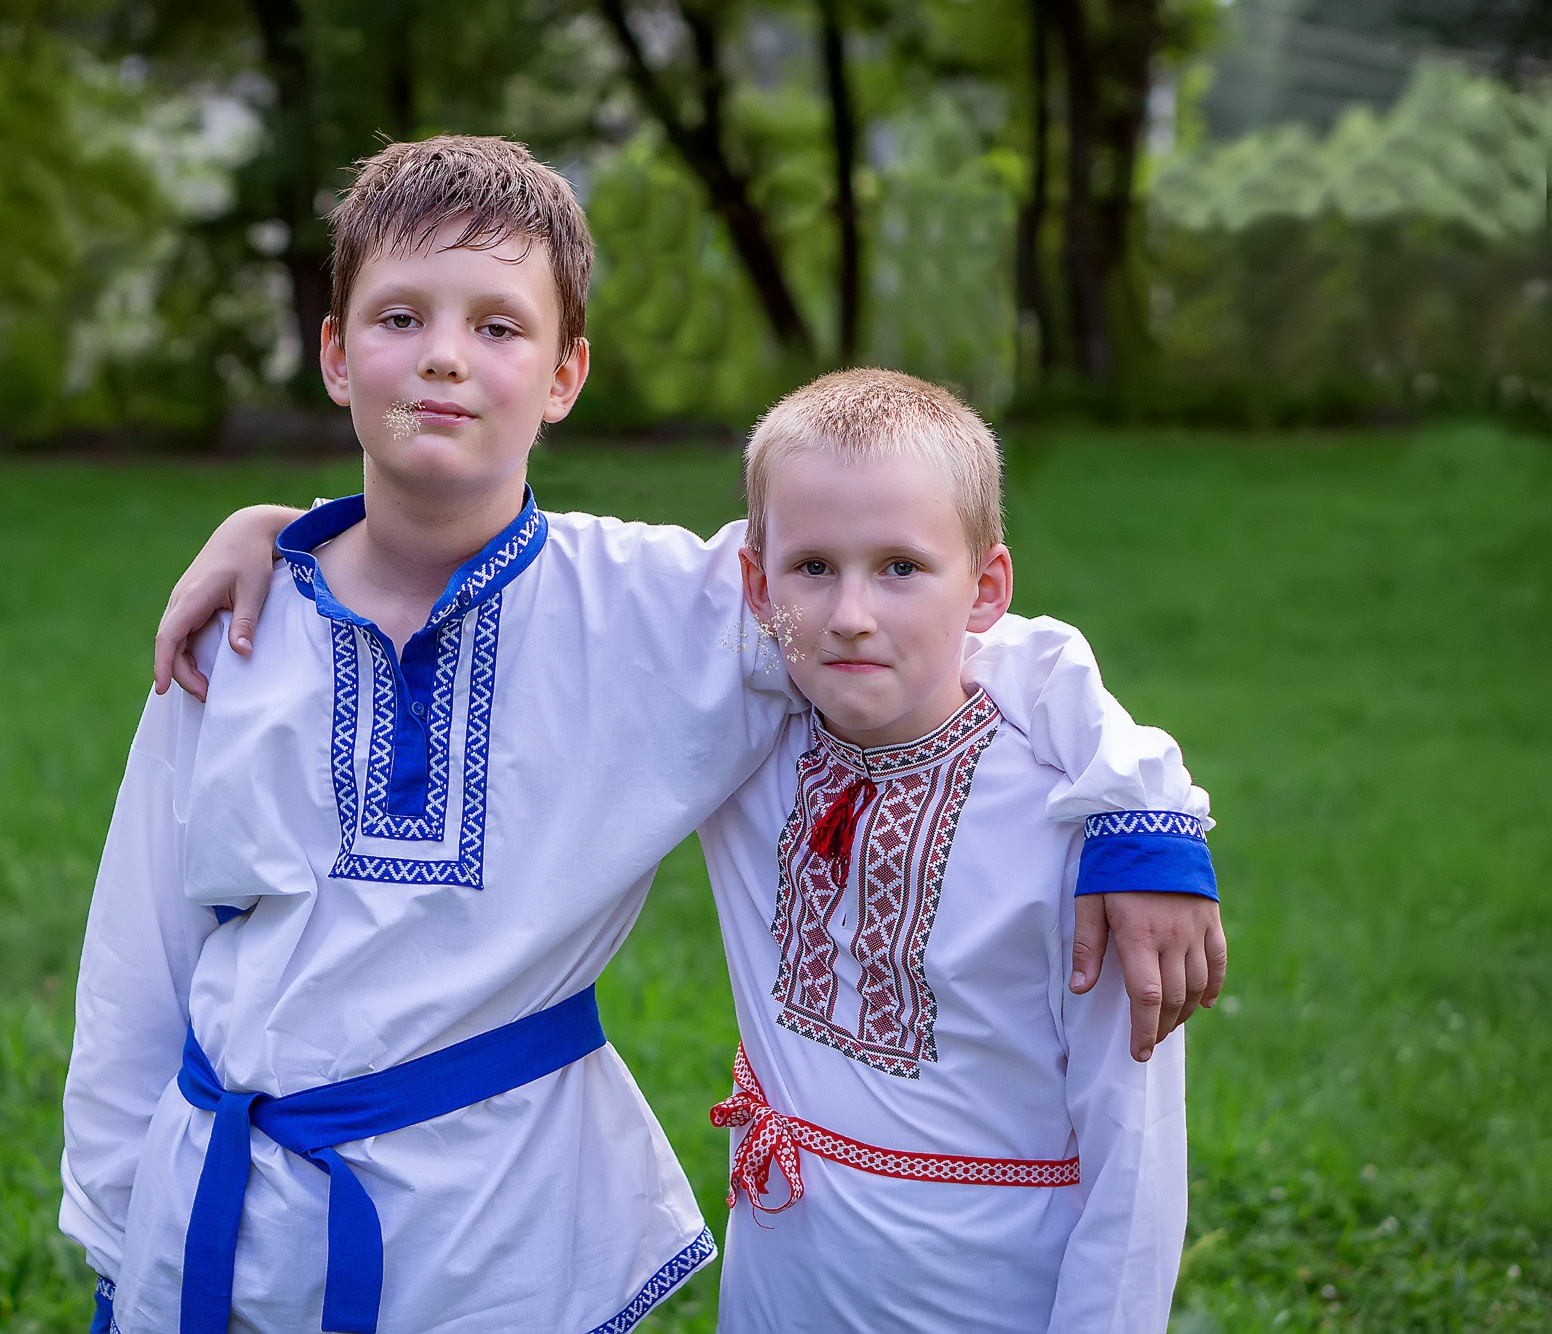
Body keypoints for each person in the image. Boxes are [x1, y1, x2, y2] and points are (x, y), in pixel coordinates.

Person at [66, 134, 1221, 1334]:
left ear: (565, 373)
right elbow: (138, 953)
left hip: (493, 1236)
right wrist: (118, 1228)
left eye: (498, 328)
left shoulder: (660, 610)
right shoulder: (232, 627)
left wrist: (1139, 809)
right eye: (398, 316)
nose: (446, 357)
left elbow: (949, 631)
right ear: (332, 353)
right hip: (219, 1218)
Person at [700, 368, 1197, 1332]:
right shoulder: (746, 743)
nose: (851, 613)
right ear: (759, 587)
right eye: (812, 568)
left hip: (983, 1298)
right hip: (781, 1282)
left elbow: (1132, 1157)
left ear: (987, 588)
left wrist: (1144, 810)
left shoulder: (1077, 826)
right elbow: (582, 587)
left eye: (901, 567)